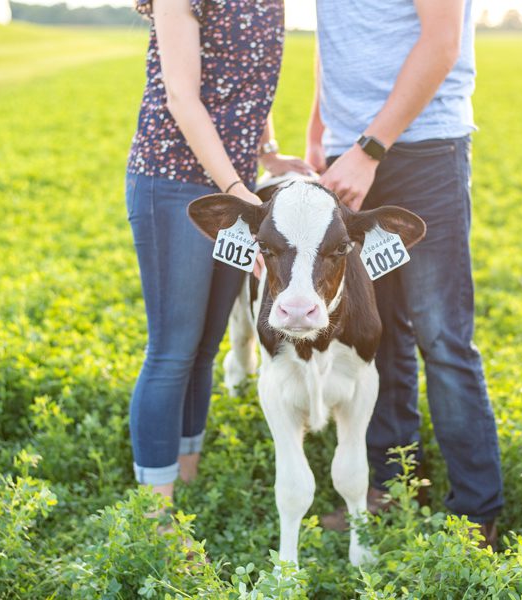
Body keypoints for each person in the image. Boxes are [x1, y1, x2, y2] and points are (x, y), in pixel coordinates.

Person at [308, 0, 504, 548]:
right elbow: (335, 47)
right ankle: (394, 490)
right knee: (374, 333)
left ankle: (475, 512)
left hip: (421, 155)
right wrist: (319, 135)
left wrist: (370, 149)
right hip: (348, 156)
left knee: (441, 336)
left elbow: (441, 45)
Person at [127, 0, 310, 507]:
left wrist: (267, 150)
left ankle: (187, 478)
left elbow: (250, 86)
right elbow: (183, 98)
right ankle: (157, 516)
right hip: (173, 185)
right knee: (172, 351)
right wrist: (237, 189)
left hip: (234, 188)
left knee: (206, 347)